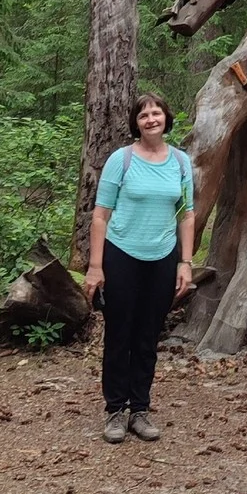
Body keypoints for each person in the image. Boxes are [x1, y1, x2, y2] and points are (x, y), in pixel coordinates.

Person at [83, 92, 195, 445]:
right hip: (121, 256)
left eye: (156, 113)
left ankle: (140, 411)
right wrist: (95, 267)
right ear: (136, 122)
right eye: (144, 114)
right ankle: (115, 410)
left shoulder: (180, 162)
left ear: (166, 118)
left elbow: (186, 214)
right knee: (119, 335)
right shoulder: (122, 160)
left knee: (147, 337)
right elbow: (100, 215)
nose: (150, 119)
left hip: (162, 258)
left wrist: (185, 263)